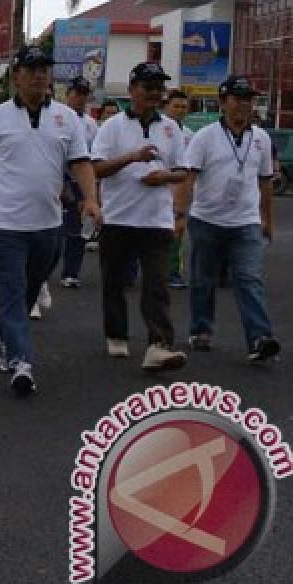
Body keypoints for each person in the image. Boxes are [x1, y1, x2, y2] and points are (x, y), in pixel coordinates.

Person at [0, 46, 98, 396]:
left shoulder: (67, 118)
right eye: (32, 68)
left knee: (27, 289)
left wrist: (91, 200)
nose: (40, 74)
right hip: (3, 223)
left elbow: (81, 162)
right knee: (12, 288)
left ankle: (3, 337)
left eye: (45, 68)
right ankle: (22, 362)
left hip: (47, 224)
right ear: (16, 76)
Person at [91, 62, 188, 372]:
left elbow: (184, 171)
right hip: (118, 216)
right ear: (133, 90)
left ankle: (159, 344)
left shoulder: (171, 128)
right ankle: (116, 334)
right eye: (148, 87)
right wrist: (131, 158)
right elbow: (95, 168)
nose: (154, 94)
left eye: (159, 88)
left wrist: (165, 177)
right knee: (114, 281)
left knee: (157, 284)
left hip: (156, 219)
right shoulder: (112, 126)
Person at [175, 76, 279, 362]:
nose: (244, 104)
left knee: (249, 279)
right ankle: (201, 330)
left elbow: (266, 182)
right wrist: (180, 215)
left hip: (245, 222)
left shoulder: (261, 138)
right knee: (203, 280)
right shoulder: (205, 136)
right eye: (238, 98)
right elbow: (188, 177)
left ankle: (260, 338)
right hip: (207, 219)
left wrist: (267, 219)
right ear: (223, 102)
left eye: (249, 99)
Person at [59, 76, 99, 288]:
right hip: (58, 178)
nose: (80, 98)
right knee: (54, 230)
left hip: (79, 181)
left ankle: (71, 272)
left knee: (79, 230)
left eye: (84, 94)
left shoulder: (91, 125)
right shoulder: (58, 117)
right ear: (68, 94)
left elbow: (92, 158)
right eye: (77, 93)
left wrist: (91, 192)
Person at [163, 88, 194, 289]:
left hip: (179, 189)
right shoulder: (156, 128)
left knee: (176, 233)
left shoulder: (190, 135)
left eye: (184, 107)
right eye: (176, 106)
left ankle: (173, 272)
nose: (180, 110)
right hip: (154, 187)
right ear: (166, 106)